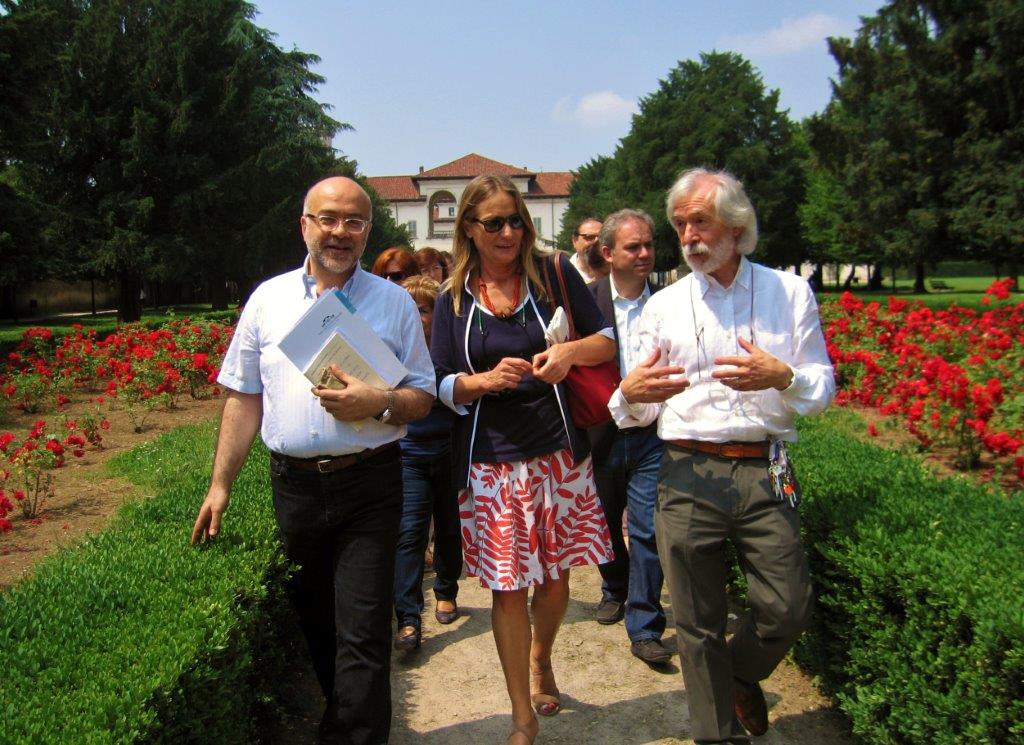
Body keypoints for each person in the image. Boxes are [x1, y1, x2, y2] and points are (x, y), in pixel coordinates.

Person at [190, 176, 435, 745]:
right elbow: (243, 397)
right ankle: (344, 721)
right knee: (317, 625)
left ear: (368, 231)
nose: (339, 232)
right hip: (294, 488)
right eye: (327, 218)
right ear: (305, 225)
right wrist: (219, 484)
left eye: (353, 221)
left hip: (370, 483)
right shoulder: (267, 300)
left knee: (364, 633)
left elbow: (422, 397)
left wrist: (381, 401)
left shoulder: (394, 302)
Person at [608, 168, 835, 743]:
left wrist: (784, 376)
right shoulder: (663, 306)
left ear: (736, 226)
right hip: (683, 469)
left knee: (788, 608)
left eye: (699, 221)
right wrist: (627, 396)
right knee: (695, 624)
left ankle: (738, 675)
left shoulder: (789, 293)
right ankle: (717, 735)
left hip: (764, 469)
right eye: (680, 224)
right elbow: (637, 405)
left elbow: (822, 389)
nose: (687, 235)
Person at [431, 174, 616, 745]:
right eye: (495, 222)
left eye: (516, 219)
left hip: (557, 451)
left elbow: (607, 340)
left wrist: (566, 353)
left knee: (555, 579)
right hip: (491, 460)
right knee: (507, 587)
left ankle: (541, 657)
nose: (509, 231)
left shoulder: (553, 274)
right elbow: (439, 382)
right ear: (469, 229)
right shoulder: (453, 298)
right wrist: (481, 381)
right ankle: (520, 714)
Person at [586, 209, 669, 667]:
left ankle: (645, 625)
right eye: (633, 247)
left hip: (654, 433)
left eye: (648, 245)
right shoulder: (586, 302)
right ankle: (614, 585)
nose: (643, 254)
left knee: (646, 528)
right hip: (600, 433)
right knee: (603, 520)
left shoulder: (670, 303)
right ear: (608, 253)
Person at [392, 275, 463, 652]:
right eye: (412, 309)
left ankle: (447, 590)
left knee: (451, 528)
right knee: (410, 534)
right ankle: (407, 616)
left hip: (449, 450)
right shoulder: (394, 348)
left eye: (424, 309)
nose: (418, 317)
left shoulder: (450, 348)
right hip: (410, 454)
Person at [568, 216, 603, 284]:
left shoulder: (616, 274)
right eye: (589, 237)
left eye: (602, 237)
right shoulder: (563, 274)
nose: (596, 241)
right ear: (575, 241)